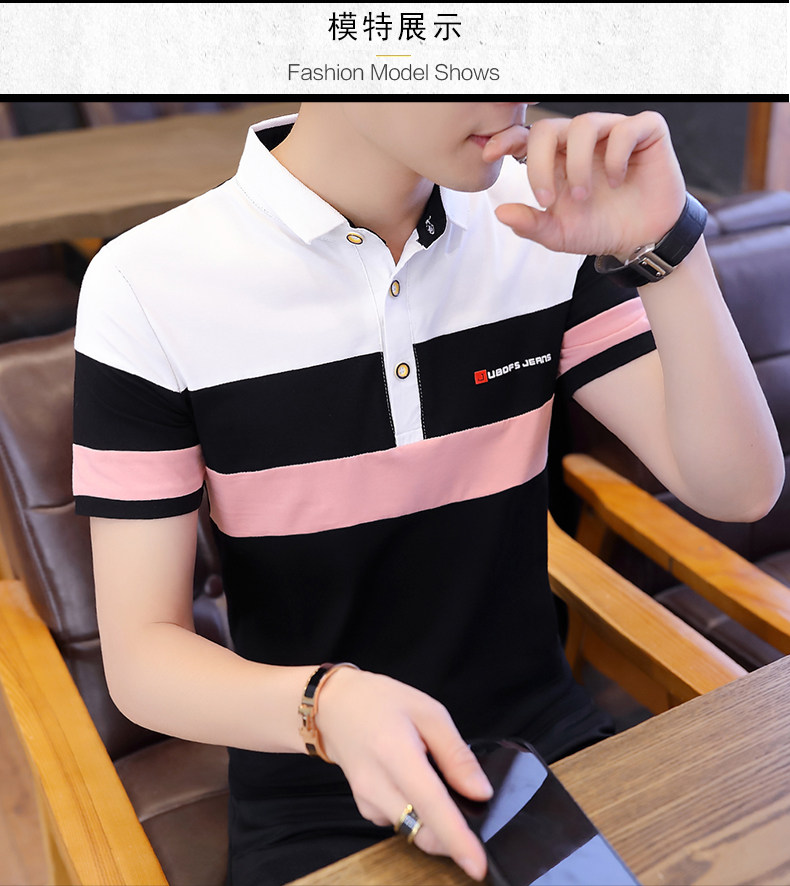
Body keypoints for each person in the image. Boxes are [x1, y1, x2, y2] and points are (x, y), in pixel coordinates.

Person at [72, 102, 784, 886]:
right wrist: (326, 706)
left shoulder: (542, 223)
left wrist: (668, 248)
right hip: (316, 789)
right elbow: (142, 658)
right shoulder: (146, 284)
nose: (510, 93)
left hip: (544, 749)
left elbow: (740, 489)